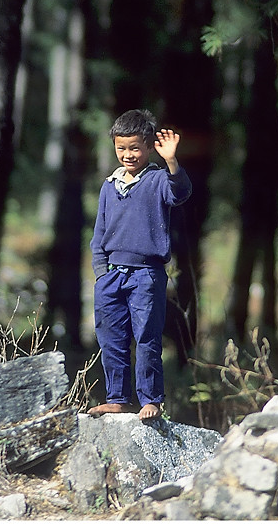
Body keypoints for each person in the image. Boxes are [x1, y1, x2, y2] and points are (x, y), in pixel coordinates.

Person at [88, 108, 192, 421]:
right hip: (111, 277)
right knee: (112, 340)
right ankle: (117, 398)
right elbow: (99, 234)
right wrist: (100, 274)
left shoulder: (159, 179)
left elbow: (181, 192)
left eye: (135, 147)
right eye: (121, 148)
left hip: (146, 275)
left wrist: (171, 161)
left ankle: (151, 400)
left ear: (148, 147)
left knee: (147, 338)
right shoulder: (109, 185)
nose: (128, 154)